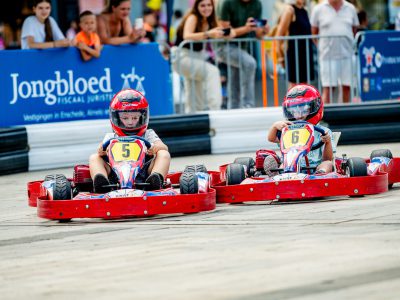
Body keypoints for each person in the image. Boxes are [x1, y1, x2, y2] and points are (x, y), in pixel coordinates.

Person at [89, 89, 171, 193]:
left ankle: (155, 181)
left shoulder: (148, 134)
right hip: (114, 175)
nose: (130, 122)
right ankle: (102, 184)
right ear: (116, 117)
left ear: (143, 116)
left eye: (135, 117)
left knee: (164, 154)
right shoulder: (111, 136)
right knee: (94, 157)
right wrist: (102, 150)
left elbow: (164, 147)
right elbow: (100, 150)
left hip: (144, 173)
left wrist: (154, 148)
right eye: (125, 118)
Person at [267, 84, 334, 174]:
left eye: (304, 110)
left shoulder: (323, 132)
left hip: (315, 168)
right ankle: (278, 174)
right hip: (291, 167)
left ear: (315, 107)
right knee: (283, 165)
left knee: (328, 164)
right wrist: (275, 126)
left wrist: (327, 142)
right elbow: (271, 139)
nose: (299, 115)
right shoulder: (288, 130)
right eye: (294, 111)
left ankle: (321, 174)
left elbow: (328, 158)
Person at [172, 0, 224, 113]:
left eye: (209, 5)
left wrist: (229, 33)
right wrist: (208, 34)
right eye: (203, 5)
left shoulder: (210, 20)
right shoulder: (193, 17)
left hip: (196, 57)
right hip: (182, 56)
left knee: (195, 87)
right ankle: (215, 110)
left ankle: (193, 117)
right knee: (212, 72)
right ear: (197, 7)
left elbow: (222, 32)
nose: (206, 8)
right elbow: (187, 35)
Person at [216, 0, 269, 109]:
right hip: (224, 46)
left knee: (234, 80)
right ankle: (247, 104)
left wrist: (263, 30)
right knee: (250, 63)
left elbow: (258, 35)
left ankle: (234, 109)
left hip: (242, 48)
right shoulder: (226, 3)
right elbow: (225, 33)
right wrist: (247, 28)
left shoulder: (257, 4)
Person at [310, 0, 359, 103]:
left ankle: (344, 115)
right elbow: (314, 33)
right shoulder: (318, 9)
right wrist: (323, 47)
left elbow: (354, 30)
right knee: (328, 89)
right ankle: (324, 116)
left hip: (347, 56)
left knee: (347, 88)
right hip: (327, 56)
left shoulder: (350, 8)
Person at [276, 0, 314, 88]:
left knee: (304, 87)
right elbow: (279, 36)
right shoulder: (289, 10)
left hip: (305, 53)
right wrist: (281, 58)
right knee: (294, 88)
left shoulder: (304, 10)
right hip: (294, 54)